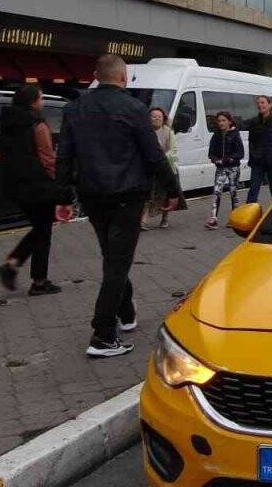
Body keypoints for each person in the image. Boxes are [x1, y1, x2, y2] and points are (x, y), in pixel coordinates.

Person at [55, 54, 180, 358]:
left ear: (95, 75)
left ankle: (126, 314)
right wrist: (171, 190)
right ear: (124, 78)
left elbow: (64, 155)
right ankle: (103, 334)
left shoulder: (75, 109)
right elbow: (153, 155)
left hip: (91, 195)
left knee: (112, 257)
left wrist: (61, 198)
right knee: (116, 263)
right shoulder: (135, 108)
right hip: (127, 194)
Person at [0, 85, 63, 296]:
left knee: (40, 229)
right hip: (39, 185)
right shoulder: (37, 124)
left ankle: (12, 264)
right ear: (33, 101)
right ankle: (39, 281)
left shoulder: (7, 123)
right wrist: (59, 184)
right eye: (41, 98)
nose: (42, 102)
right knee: (44, 232)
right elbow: (48, 159)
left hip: (16, 184)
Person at [245, 95, 272, 204]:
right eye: (258, 103)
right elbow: (251, 142)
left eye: (263, 102)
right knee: (253, 190)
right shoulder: (254, 122)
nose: (260, 105)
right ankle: (249, 215)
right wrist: (253, 156)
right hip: (257, 162)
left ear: (270, 105)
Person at [206, 112, 244, 229]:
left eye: (223, 120)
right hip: (221, 168)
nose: (221, 123)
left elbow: (240, 153)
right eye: (219, 121)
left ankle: (234, 219)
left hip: (233, 168)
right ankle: (213, 219)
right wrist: (215, 159)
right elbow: (211, 152)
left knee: (234, 192)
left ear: (229, 121)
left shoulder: (235, 134)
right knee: (217, 191)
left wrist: (229, 159)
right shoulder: (216, 135)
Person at [144, 108, 177, 229]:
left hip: (166, 168)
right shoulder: (145, 132)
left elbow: (173, 150)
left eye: (159, 116)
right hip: (149, 168)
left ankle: (164, 218)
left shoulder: (168, 132)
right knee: (148, 194)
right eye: (154, 116)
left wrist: (160, 158)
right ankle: (144, 221)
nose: (157, 118)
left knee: (165, 195)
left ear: (163, 118)